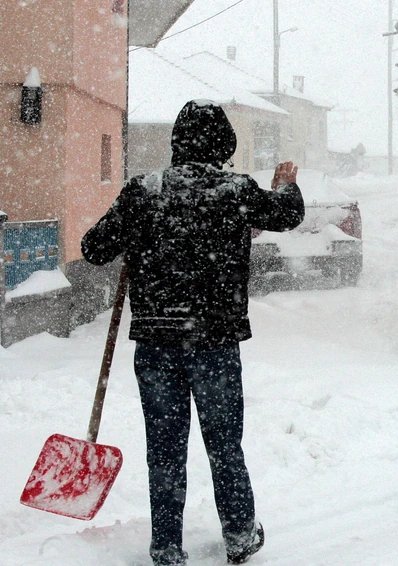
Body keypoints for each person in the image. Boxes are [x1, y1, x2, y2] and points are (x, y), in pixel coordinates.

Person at [81, 99, 305, 566]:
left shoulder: (144, 191)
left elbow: (94, 248)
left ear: (177, 142)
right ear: (225, 144)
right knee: (224, 444)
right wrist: (286, 186)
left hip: (158, 343)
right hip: (214, 344)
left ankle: (166, 546)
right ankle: (240, 534)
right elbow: (286, 215)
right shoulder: (235, 189)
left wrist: (134, 231)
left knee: (164, 449)